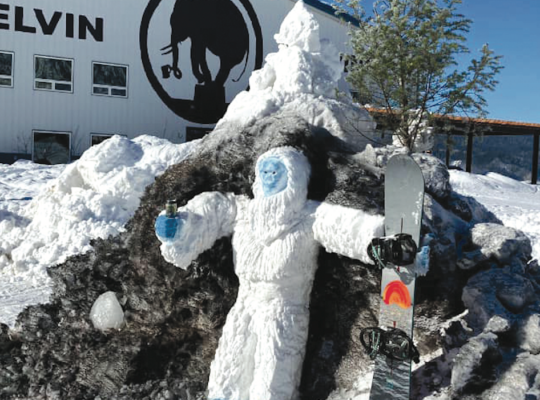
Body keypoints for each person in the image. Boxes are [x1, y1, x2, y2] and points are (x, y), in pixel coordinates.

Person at [155, 146, 398, 400]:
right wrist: (180, 226)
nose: (269, 175)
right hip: (245, 306)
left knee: (273, 377)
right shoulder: (245, 212)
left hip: (284, 310)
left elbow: (342, 227)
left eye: (277, 171)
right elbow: (213, 210)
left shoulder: (308, 215)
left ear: (295, 177)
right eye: (265, 171)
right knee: (228, 372)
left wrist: (376, 244)